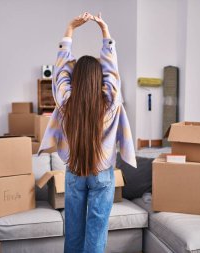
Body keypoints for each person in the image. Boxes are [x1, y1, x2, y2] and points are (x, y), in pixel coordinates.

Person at [38, 12, 136, 253]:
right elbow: (112, 71)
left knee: (73, 230)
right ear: (99, 79)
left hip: (74, 172)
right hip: (102, 175)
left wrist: (70, 29)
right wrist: (105, 31)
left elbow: (61, 70)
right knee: (96, 232)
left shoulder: (66, 102)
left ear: (76, 80)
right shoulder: (110, 103)